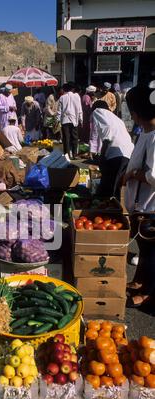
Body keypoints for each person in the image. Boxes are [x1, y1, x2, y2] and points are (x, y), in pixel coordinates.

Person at [122, 84, 155, 307]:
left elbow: (154, 176)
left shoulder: (154, 137)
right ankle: (140, 282)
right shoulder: (146, 132)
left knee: (153, 254)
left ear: (135, 114)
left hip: (151, 209)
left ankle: (148, 294)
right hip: (141, 206)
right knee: (144, 251)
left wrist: (133, 173)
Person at [92, 100, 134, 198]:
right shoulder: (116, 118)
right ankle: (115, 207)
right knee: (116, 185)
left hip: (115, 154)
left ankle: (109, 210)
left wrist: (102, 157)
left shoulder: (98, 111)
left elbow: (107, 135)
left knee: (108, 187)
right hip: (128, 153)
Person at [57, 82, 83, 159]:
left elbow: (59, 111)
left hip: (65, 120)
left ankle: (67, 155)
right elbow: (79, 109)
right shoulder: (77, 96)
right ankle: (74, 154)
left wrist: (57, 120)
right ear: (73, 89)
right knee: (74, 138)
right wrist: (81, 120)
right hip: (74, 120)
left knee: (66, 138)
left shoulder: (62, 97)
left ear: (65, 89)